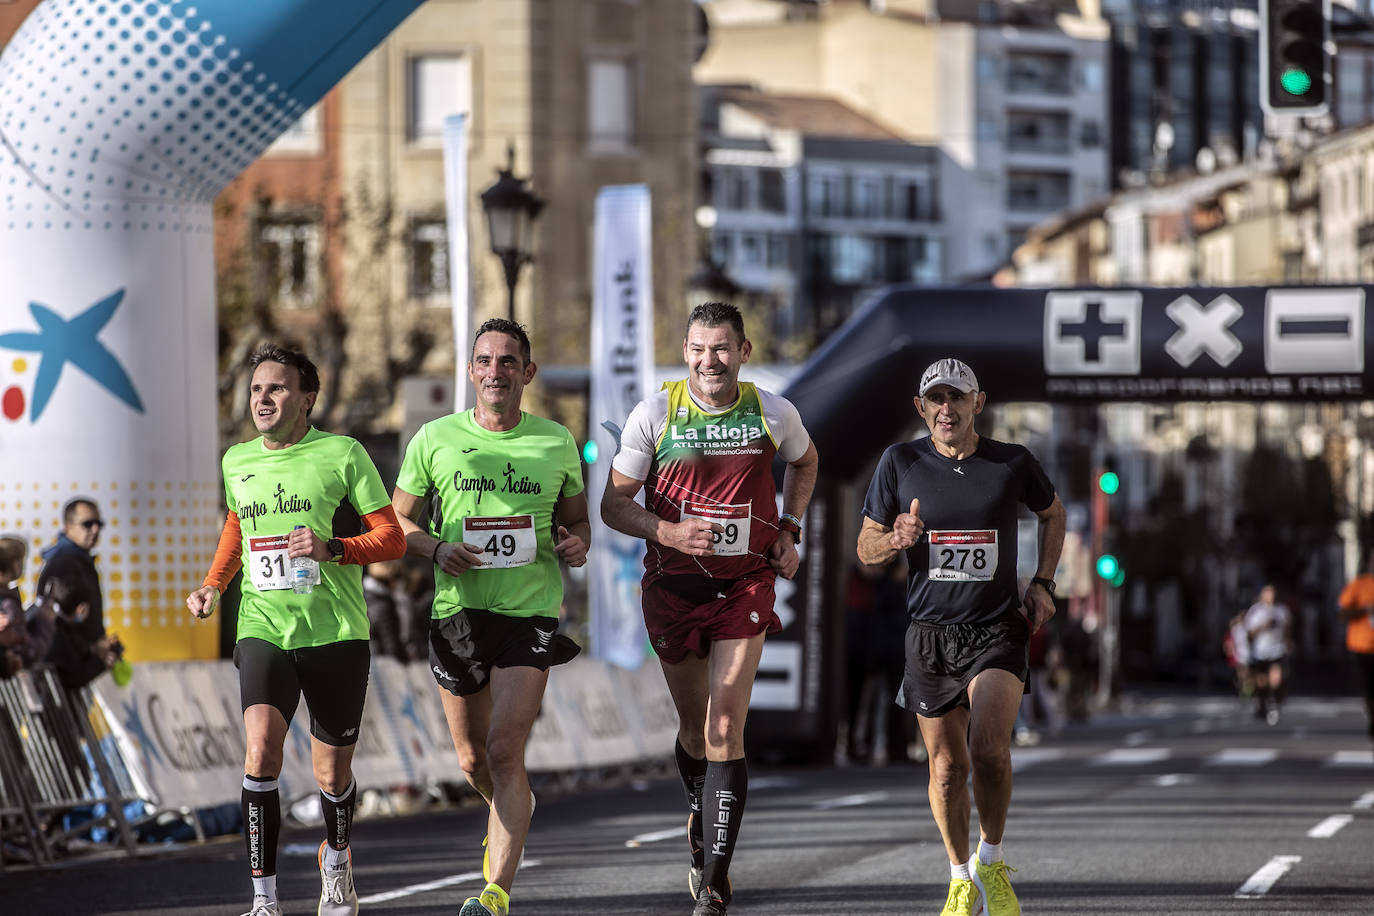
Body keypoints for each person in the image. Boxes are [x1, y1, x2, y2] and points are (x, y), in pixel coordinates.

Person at [601, 301, 819, 916]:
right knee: (695, 729)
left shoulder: (772, 411)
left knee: (725, 726)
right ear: (685, 350)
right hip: (672, 590)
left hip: (744, 586)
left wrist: (791, 527)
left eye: (721, 347)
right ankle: (700, 809)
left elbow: (807, 461)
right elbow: (613, 507)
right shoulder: (655, 412)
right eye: (698, 348)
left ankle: (715, 879)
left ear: (743, 352)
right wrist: (667, 533)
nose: (709, 360)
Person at [184, 344, 406, 916]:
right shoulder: (237, 460)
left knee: (332, 772)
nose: (263, 398)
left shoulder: (342, 453)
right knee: (259, 752)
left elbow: (392, 538)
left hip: (335, 632)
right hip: (263, 625)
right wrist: (213, 584)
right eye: (257, 389)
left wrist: (333, 547)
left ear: (307, 398)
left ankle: (336, 859)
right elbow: (238, 526)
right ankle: (264, 898)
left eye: (277, 388)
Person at [391, 318, 588, 916]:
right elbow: (394, 523)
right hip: (458, 613)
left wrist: (577, 544)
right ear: (471, 371)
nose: (495, 371)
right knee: (474, 760)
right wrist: (436, 548)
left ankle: (495, 892)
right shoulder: (434, 439)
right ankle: (510, 804)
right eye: (485, 361)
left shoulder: (555, 441)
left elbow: (577, 524)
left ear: (527, 372)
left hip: (529, 615)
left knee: (504, 751)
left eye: (508, 362)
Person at [856, 357, 1065, 916]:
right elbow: (865, 548)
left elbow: (1054, 513)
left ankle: (991, 861)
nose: (947, 408)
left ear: (979, 403)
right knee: (946, 770)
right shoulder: (900, 462)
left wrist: (1044, 582)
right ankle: (958, 875)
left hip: (997, 629)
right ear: (920, 407)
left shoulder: (1011, 463)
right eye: (936, 399)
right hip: (929, 635)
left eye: (958, 397)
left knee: (989, 750)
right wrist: (896, 537)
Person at [37, 498, 107, 645]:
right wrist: (92, 650)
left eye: (98, 524)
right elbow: (55, 624)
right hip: (70, 664)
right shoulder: (63, 563)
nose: (95, 529)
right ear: (68, 526)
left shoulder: (80, 559)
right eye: (87, 524)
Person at [1337, 550, 1374, 742]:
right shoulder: (1359, 585)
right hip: (1363, 647)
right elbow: (1342, 613)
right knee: (1368, 688)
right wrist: (1364, 609)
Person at [1243, 584, 1290, 725]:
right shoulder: (1256, 611)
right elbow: (1249, 633)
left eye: (1273, 593)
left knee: (1276, 678)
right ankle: (1261, 703)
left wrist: (1288, 641)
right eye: (1268, 593)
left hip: (1277, 650)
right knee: (1261, 681)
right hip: (1260, 651)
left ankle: (1274, 703)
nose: (1271, 596)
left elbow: (1288, 628)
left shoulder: (1281, 611)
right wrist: (1263, 626)